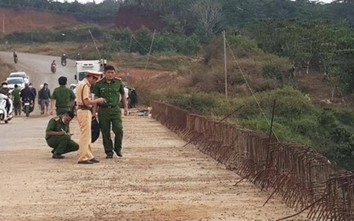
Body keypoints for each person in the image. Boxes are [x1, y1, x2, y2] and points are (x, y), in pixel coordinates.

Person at [93, 65, 128, 159]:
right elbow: (95, 99)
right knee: (105, 132)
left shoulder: (118, 82)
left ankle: (118, 148)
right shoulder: (98, 84)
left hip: (115, 109)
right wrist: (94, 112)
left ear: (114, 73)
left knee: (119, 130)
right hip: (103, 111)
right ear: (104, 73)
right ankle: (109, 151)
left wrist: (125, 107)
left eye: (112, 72)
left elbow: (123, 95)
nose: (110, 74)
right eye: (108, 72)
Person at [76, 71, 106, 164]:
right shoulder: (85, 85)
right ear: (92, 77)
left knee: (87, 135)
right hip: (84, 110)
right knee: (85, 135)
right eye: (95, 79)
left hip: (83, 110)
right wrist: (98, 100)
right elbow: (86, 102)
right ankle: (83, 157)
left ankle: (88, 155)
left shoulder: (81, 84)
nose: (95, 81)